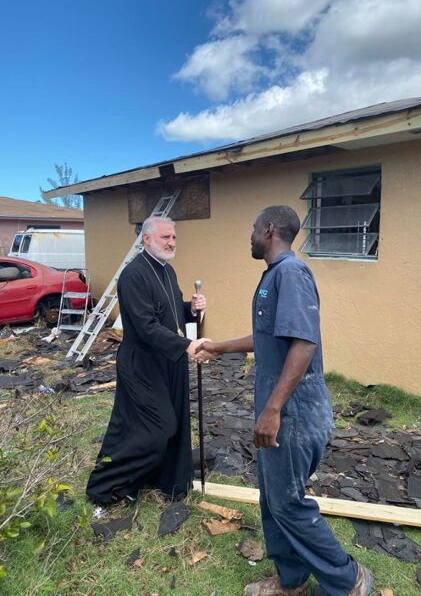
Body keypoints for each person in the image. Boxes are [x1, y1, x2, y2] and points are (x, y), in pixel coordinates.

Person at [197, 206, 373, 596]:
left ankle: (350, 580)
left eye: (253, 227)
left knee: (287, 502)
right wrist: (217, 346)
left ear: (269, 229)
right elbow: (266, 337)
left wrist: (273, 409)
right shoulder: (274, 275)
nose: (250, 234)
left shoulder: (291, 274)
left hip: (294, 412)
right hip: (280, 409)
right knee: (273, 498)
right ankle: (292, 582)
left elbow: (304, 343)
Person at [86, 215, 207, 505]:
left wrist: (192, 309)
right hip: (142, 364)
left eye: (174, 237)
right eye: (166, 237)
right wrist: (187, 345)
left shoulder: (167, 270)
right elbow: (145, 326)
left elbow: (170, 312)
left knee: (175, 423)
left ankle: (167, 482)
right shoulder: (133, 275)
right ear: (147, 238)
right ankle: (106, 485)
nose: (172, 242)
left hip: (169, 360)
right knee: (158, 426)